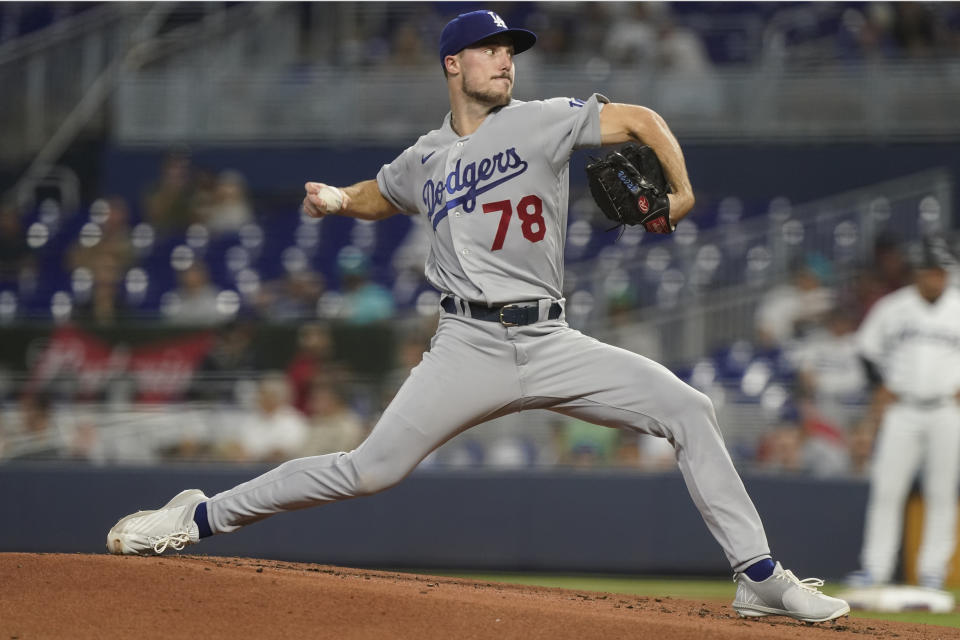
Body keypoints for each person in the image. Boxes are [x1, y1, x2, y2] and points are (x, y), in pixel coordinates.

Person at [105, 10, 848, 623]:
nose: (505, 59)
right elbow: (379, 190)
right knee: (369, 469)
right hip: (466, 343)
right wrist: (334, 199)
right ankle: (197, 516)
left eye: (510, 49)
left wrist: (680, 194)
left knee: (687, 407)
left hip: (550, 337)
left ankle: (759, 576)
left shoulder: (543, 121)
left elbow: (645, 121)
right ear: (451, 65)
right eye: (489, 49)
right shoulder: (425, 157)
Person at [848, 237, 960, 591]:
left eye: (941, 272)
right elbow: (865, 351)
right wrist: (880, 385)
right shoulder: (893, 308)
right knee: (887, 489)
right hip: (903, 409)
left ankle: (932, 573)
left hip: (946, 409)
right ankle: (875, 570)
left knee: (942, 493)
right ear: (919, 273)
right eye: (931, 271)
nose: (936, 278)